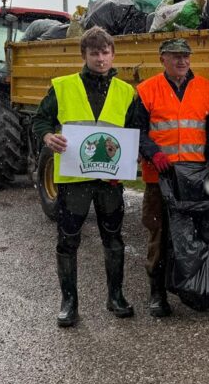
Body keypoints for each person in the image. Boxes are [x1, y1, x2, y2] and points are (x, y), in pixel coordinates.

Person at [33, 26, 148, 328]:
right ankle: (69, 302)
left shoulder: (126, 92)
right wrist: (47, 136)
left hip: (109, 181)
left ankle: (116, 296)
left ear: (113, 54)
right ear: (84, 55)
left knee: (113, 238)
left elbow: (138, 129)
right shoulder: (63, 87)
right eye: (94, 53)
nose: (100, 58)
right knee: (68, 240)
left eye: (105, 52)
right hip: (74, 181)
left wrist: (136, 151)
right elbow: (40, 119)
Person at [133, 37, 209, 318]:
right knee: (159, 233)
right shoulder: (147, 91)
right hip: (161, 178)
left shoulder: (206, 89)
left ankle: (191, 287)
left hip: (195, 179)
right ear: (162, 59)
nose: (182, 61)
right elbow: (136, 130)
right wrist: (152, 152)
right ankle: (157, 292)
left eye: (186, 56)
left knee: (192, 236)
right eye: (175, 56)